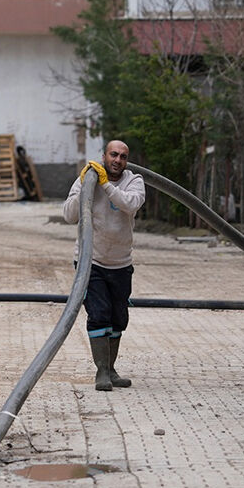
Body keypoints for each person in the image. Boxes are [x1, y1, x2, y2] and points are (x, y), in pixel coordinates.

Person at [62, 139, 146, 391]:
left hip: (121, 263)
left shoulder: (134, 181)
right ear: (104, 155)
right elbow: (68, 215)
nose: (117, 160)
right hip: (92, 261)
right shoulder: (87, 178)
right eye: (113, 155)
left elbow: (129, 204)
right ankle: (101, 372)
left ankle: (111, 369)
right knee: (99, 315)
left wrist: (105, 185)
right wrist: (85, 188)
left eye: (122, 156)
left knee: (118, 318)